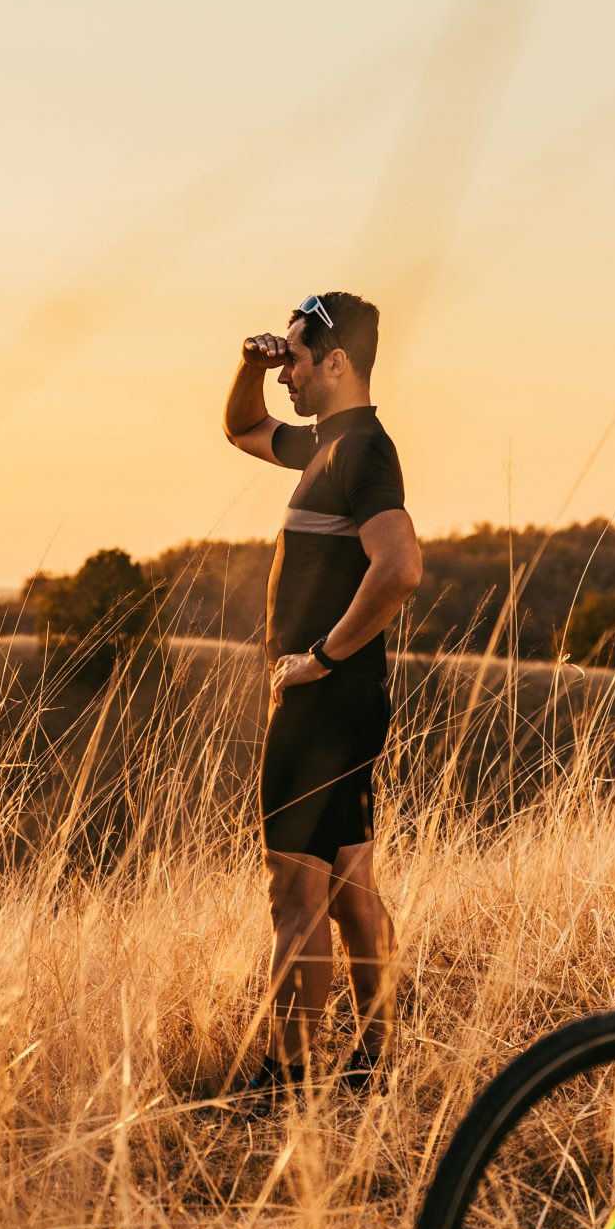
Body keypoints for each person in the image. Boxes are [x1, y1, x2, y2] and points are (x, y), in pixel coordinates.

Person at [221, 291, 422, 1097]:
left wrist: (321, 660)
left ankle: (286, 1077)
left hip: (324, 702)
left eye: (297, 363)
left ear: (337, 364)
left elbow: (400, 567)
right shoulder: (326, 447)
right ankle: (377, 1061)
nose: (287, 379)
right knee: (348, 886)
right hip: (348, 699)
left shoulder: (361, 452)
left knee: (293, 892)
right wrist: (248, 363)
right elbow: (239, 428)